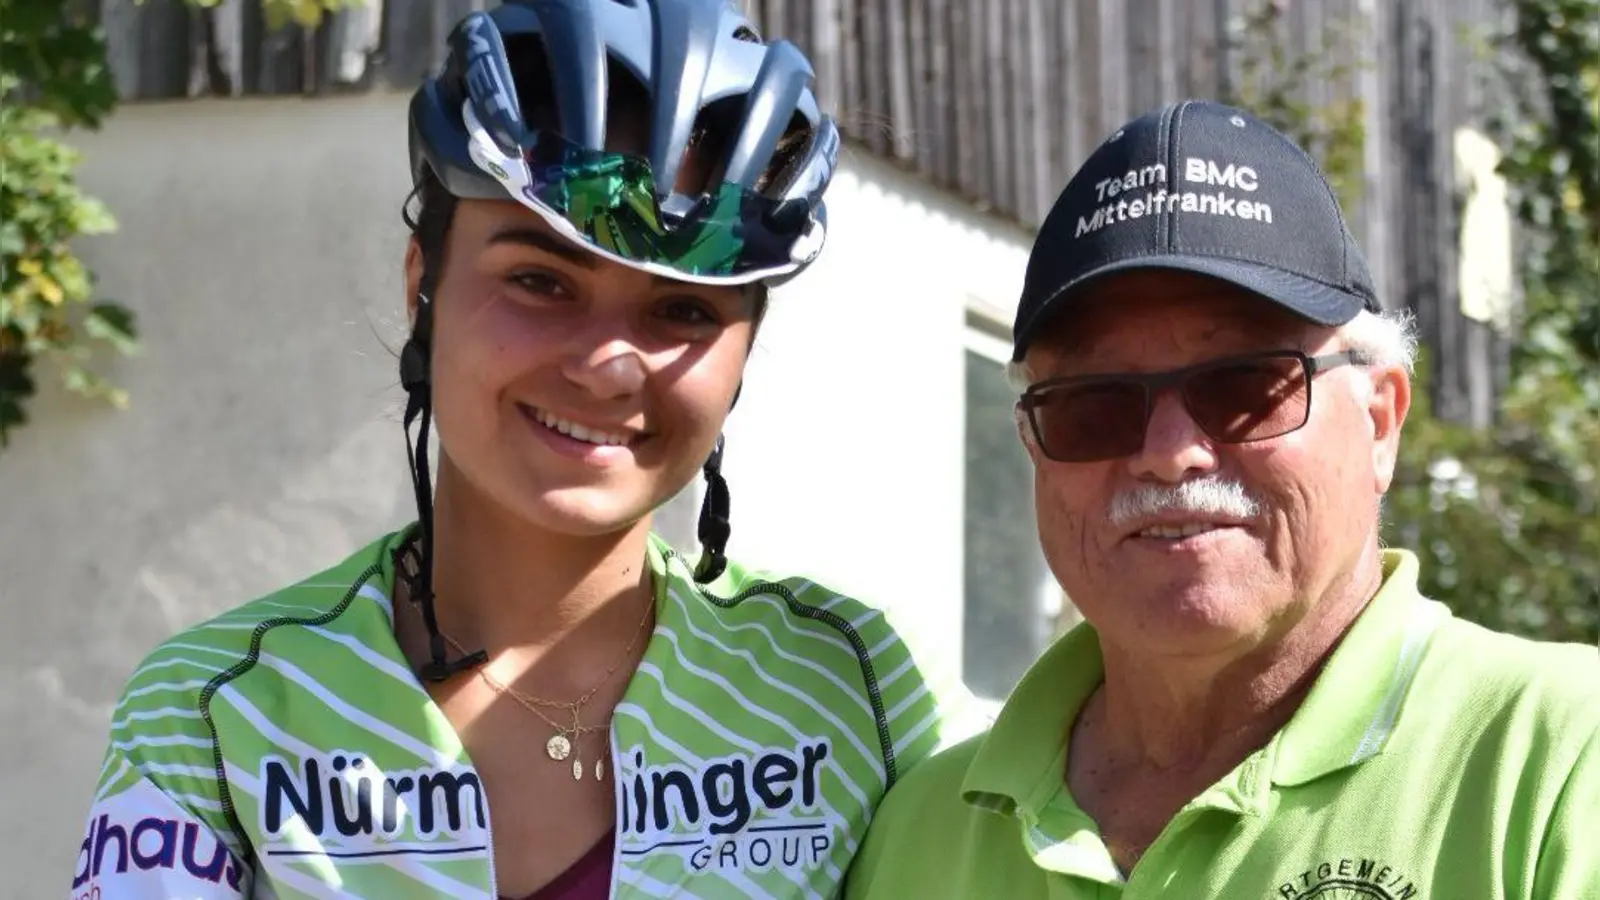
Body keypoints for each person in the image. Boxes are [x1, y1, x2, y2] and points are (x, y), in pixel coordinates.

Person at [70, 3, 956, 897]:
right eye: (540, 281)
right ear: (425, 287)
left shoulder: (849, 687)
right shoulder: (216, 708)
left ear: (745, 352)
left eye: (684, 308)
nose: (609, 367)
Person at [844, 99, 1599, 899]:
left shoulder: (1562, 760)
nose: (1170, 455)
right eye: (1093, 404)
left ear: (1380, 422)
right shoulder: (919, 828)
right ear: (1032, 441)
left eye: (1245, 387)